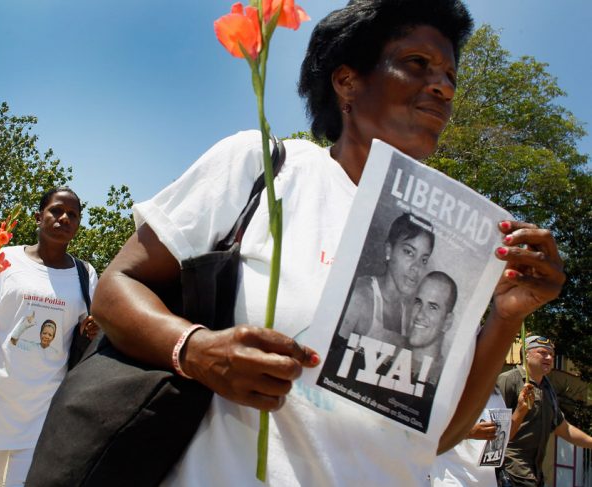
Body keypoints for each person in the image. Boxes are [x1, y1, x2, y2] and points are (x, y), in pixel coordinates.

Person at [92, 0, 565, 484]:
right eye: (417, 64)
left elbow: (436, 439)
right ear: (347, 82)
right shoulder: (266, 169)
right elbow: (114, 288)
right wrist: (194, 350)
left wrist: (507, 316)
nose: (443, 87)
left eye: (450, 76)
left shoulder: (455, 239)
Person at [0, 187, 98, 487]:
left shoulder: (85, 273)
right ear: (38, 217)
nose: (64, 218)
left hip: (44, 407)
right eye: (56, 210)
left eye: (73, 215)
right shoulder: (4, 259)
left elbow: (88, 328)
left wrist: (94, 328)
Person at [497, 336, 592, 486]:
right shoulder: (508, 380)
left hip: (534, 476)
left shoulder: (548, 389)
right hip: (510, 473)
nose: (549, 357)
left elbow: (563, 428)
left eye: (552, 355)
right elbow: (496, 432)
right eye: (542, 352)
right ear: (526, 354)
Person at [338, 213, 435, 346]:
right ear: (389, 250)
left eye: (424, 260)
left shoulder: (412, 313)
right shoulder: (361, 295)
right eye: (409, 252)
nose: (416, 267)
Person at [431, 384, 534, 486]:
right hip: (452, 477)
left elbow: (502, 437)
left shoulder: (495, 394)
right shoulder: (446, 391)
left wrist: (521, 410)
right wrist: (469, 432)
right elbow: (431, 433)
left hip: (486, 480)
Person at [406, 271, 457, 387]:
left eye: (432, 307)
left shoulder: (448, 380)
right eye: (418, 302)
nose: (419, 315)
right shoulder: (386, 348)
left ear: (447, 322)